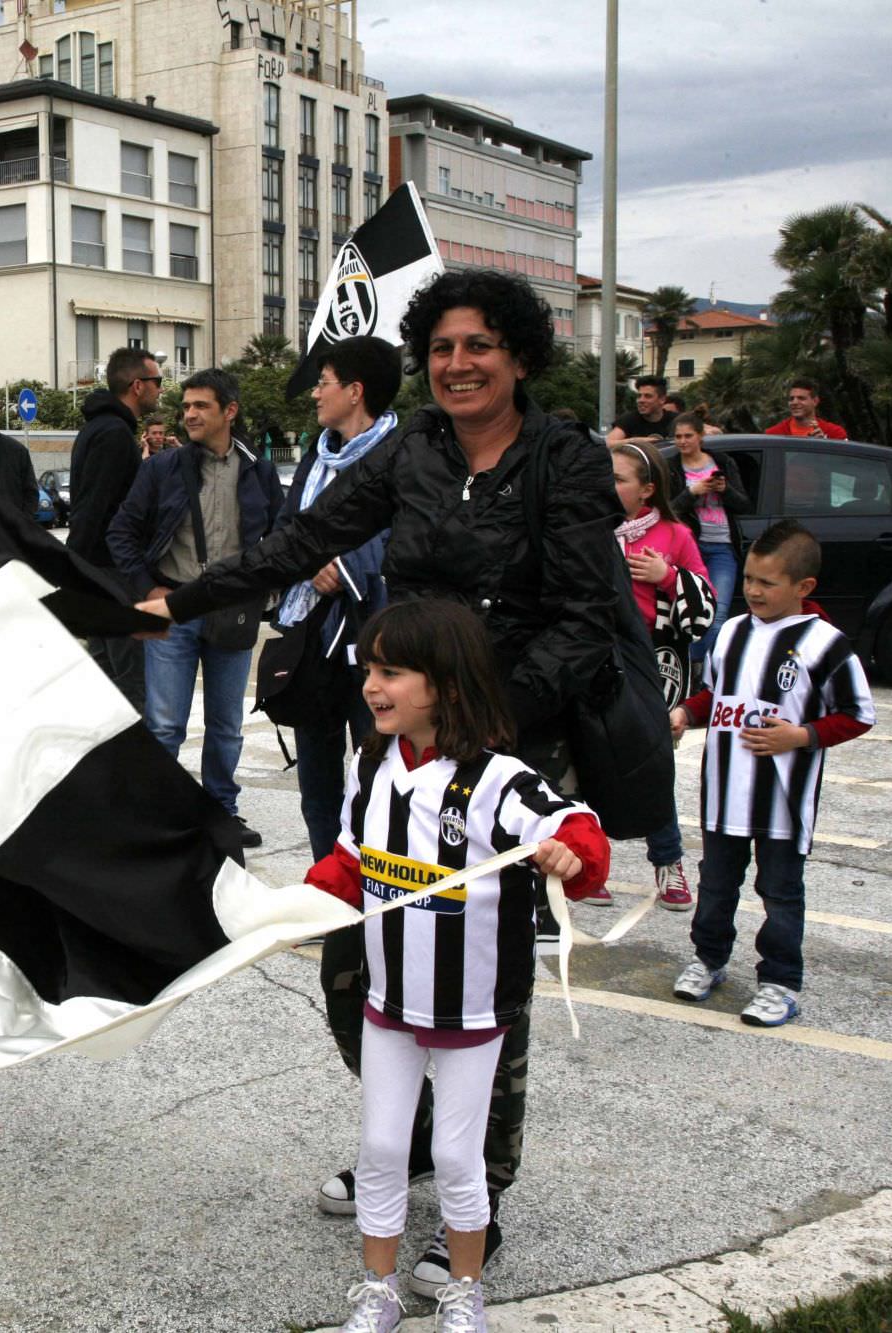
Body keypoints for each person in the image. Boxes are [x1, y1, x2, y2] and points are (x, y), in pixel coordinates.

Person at [140, 269, 623, 1292]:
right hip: (398, 739)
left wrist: (481, 727)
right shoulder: (410, 453)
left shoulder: (564, 462)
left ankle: (473, 1195)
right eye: (441, 347)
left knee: (482, 980)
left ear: (520, 355)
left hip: (505, 747)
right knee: (353, 968)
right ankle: (402, 1140)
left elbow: (585, 618)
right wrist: (180, 600)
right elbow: (300, 543)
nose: (456, 364)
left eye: (478, 345)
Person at [303, 600, 607, 1333]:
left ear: (444, 683)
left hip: (472, 1011)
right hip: (390, 1001)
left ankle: (463, 1290)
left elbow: (574, 825)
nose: (373, 685)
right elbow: (352, 859)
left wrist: (574, 854)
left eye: (392, 671)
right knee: (380, 1146)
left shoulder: (498, 778)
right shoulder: (370, 762)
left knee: (456, 1153)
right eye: (369, 669)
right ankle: (377, 1290)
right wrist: (298, 906)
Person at [669, 521, 873, 1027]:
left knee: (780, 892)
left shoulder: (825, 643)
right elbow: (715, 693)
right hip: (722, 796)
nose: (755, 591)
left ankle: (780, 981)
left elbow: (857, 713)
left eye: (768, 582)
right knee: (716, 885)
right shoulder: (732, 632)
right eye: (750, 580)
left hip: (781, 804)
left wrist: (799, 736)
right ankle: (709, 959)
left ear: (803, 588)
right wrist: (687, 714)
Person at [108, 368, 282, 848]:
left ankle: (221, 810)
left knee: (227, 725)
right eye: (185, 406)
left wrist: (267, 587)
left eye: (200, 406)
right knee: (165, 724)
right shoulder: (163, 468)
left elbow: (281, 537)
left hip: (233, 609)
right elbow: (120, 533)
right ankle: (159, 815)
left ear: (230, 411)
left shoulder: (257, 469)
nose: (189, 415)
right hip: (175, 607)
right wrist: (148, 589)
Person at [277, 336, 400, 862]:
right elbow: (286, 529)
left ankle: (380, 883)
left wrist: (348, 566)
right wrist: (307, 562)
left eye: (322, 384)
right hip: (312, 637)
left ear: (355, 391)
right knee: (318, 779)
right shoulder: (315, 456)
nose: (314, 395)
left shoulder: (403, 455)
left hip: (380, 640)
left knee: (382, 774)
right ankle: (329, 881)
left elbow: (410, 536)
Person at [610, 440, 712, 911]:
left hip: (653, 664)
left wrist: (666, 575)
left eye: (618, 479)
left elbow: (704, 608)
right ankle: (591, 864)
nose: (607, 487)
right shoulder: (591, 530)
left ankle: (669, 862)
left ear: (647, 490)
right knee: (592, 758)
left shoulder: (675, 535)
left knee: (654, 765)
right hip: (597, 657)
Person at [69, 347, 165, 706]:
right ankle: (130, 758)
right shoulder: (113, 435)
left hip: (99, 571)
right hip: (111, 573)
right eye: (156, 382)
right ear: (137, 386)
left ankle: (106, 757)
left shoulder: (101, 428)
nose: (160, 389)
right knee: (128, 681)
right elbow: (94, 506)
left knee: (104, 674)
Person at [665, 413, 753, 665]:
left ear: (700, 436)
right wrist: (692, 492)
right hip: (688, 546)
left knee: (717, 613)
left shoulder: (722, 462)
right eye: (678, 437)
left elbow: (744, 504)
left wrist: (724, 490)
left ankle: (706, 671)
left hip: (722, 546)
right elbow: (667, 508)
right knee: (688, 611)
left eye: (688, 436)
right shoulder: (671, 467)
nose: (682, 442)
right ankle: (692, 668)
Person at [763, 378, 848, 439]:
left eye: (801, 398)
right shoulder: (773, 434)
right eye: (791, 399)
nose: (794, 402)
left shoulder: (834, 433)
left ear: (815, 401)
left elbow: (844, 462)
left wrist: (825, 445)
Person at [606, 374, 671, 442]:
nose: (641, 400)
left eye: (648, 396)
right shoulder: (629, 419)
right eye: (639, 396)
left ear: (662, 399)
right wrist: (637, 441)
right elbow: (610, 442)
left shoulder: (675, 421)